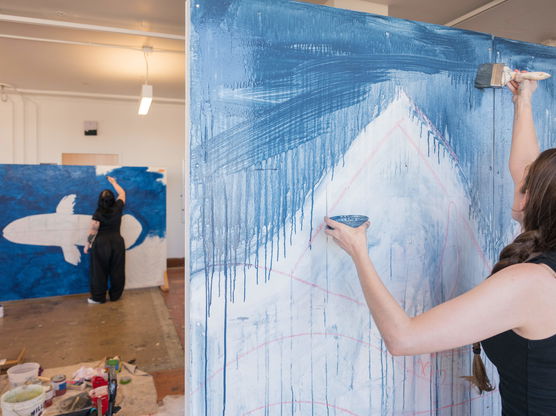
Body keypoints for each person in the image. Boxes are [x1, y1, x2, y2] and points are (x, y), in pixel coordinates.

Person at [325, 75, 556, 414]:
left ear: (533, 197)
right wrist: (523, 102)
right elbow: (526, 168)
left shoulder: (532, 284)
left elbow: (403, 338)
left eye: (527, 181)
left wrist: (359, 252)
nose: (519, 177)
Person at [84, 176, 127, 304]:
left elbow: (93, 230)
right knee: (117, 270)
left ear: (100, 200)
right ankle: (115, 296)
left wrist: (87, 245)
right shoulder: (118, 207)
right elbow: (122, 193)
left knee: (99, 271)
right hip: (117, 242)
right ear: (113, 199)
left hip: (101, 244)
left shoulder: (98, 213)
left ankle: (98, 298)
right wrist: (114, 182)